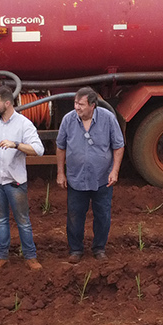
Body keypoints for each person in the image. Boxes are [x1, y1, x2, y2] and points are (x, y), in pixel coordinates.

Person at [54, 87, 124, 262]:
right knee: (75, 215)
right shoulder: (68, 120)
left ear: (92, 105)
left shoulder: (108, 119)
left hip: (102, 179)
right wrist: (60, 173)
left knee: (103, 215)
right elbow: (61, 147)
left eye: (81, 104)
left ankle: (99, 248)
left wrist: (114, 171)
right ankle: (75, 250)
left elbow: (118, 146)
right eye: (76, 103)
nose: (77, 107)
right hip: (76, 178)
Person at [0, 86, 44, 270]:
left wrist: (16, 145)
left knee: (23, 220)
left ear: (7, 103)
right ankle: (2, 257)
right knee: (0, 220)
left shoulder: (23, 124)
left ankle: (30, 257)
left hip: (15, 181)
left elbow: (38, 150)